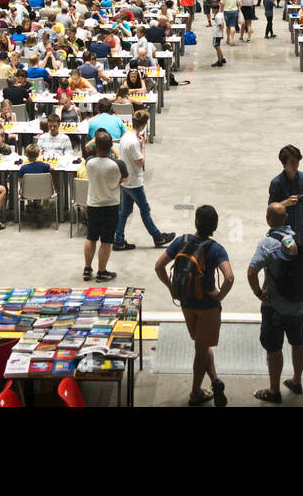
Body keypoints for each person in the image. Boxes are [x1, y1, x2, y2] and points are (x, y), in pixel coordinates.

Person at [247, 202, 303, 403]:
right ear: (286, 219)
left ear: (268, 219)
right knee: (298, 342)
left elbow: (251, 271)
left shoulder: (267, 244)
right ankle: (296, 381)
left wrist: (259, 292)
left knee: (274, 348)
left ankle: (274, 391)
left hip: (274, 306)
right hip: (299, 305)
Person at [155, 204, 233, 407]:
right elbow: (230, 277)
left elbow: (159, 266)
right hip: (207, 305)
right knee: (201, 348)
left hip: (187, 302)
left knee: (201, 344)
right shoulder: (216, 249)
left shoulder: (182, 241)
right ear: (215, 226)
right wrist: (219, 296)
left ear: (196, 222)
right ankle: (195, 393)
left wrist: (171, 288)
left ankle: (215, 380)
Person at [113, 110, 174, 250]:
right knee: (144, 209)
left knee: (125, 211)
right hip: (134, 181)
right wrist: (143, 146)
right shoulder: (135, 142)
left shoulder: (126, 136)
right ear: (143, 125)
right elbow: (140, 162)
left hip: (125, 180)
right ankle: (157, 237)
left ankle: (118, 239)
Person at [83, 129, 126, 282]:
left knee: (91, 237)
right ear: (110, 146)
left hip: (93, 204)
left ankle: (87, 269)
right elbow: (124, 179)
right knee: (106, 240)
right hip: (110, 205)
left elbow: (87, 149)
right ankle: (102, 271)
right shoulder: (118, 164)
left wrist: (94, 142)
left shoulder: (89, 162)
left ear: (96, 146)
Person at [269, 144, 303, 236]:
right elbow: (271, 209)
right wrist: (286, 203)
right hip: (282, 233)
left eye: (297, 161)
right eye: (292, 162)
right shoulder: (276, 183)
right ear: (284, 163)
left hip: (301, 231)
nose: (296, 165)